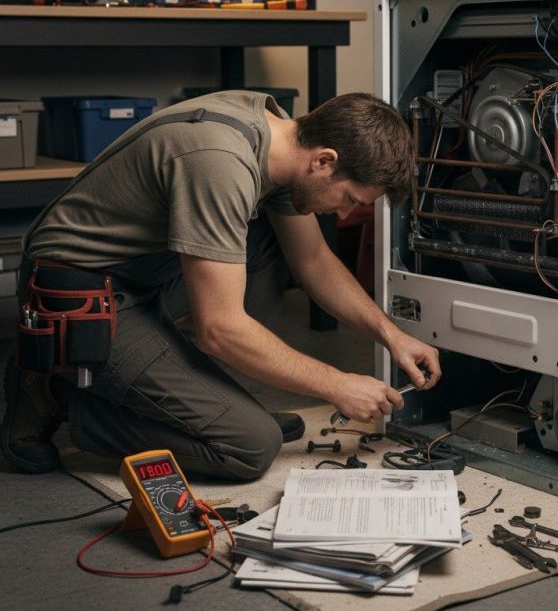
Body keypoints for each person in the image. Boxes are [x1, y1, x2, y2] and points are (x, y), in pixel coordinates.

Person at [1, 90, 440, 479]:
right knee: (249, 445)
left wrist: (392, 335)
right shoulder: (220, 161)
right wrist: (337, 385)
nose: (344, 214)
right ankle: (58, 392)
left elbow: (313, 261)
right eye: (348, 199)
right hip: (79, 291)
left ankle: (209, 399)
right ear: (324, 160)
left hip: (144, 268)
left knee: (271, 238)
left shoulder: (283, 139)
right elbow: (219, 329)